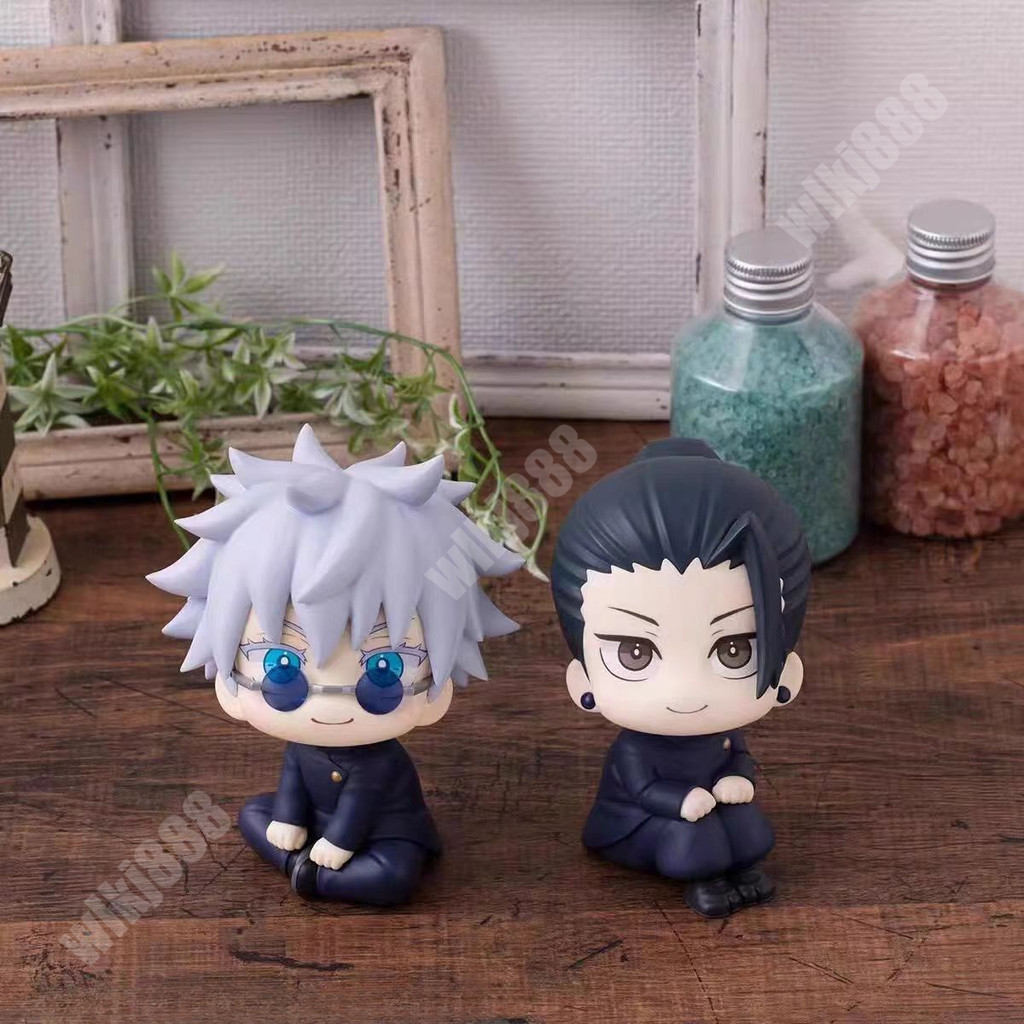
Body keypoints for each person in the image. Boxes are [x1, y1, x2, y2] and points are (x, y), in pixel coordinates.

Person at [148, 425, 522, 905]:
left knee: (393, 877)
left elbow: (363, 803)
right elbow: (292, 783)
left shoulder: (380, 762)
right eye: (281, 668)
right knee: (254, 814)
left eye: (384, 672)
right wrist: (289, 819)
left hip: (385, 835)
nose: (328, 702)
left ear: (438, 689)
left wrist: (339, 845)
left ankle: (306, 875)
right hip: (315, 830)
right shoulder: (301, 748)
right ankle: (306, 869)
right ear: (229, 681)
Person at [550, 438, 811, 918]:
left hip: (706, 807)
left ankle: (744, 873)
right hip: (641, 824)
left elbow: (739, 758)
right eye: (634, 653)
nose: (686, 691)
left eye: (734, 651)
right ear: (582, 682)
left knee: (748, 825)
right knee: (693, 839)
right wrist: (682, 800)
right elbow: (640, 789)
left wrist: (737, 778)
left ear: (786, 672)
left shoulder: (725, 734)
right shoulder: (634, 749)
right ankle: (708, 882)